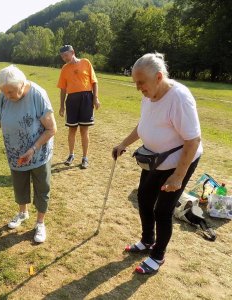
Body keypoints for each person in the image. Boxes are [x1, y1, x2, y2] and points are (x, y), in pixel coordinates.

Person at [112, 52, 202, 274]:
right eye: (136, 82)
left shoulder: (179, 98)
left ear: (159, 77)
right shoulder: (149, 95)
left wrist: (178, 176)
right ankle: (147, 240)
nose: (138, 88)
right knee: (144, 198)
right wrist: (124, 143)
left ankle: (158, 255)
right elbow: (143, 125)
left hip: (178, 163)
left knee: (163, 210)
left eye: (141, 82)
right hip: (154, 159)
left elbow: (193, 140)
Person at [0, 65, 57, 243]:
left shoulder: (38, 95)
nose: (8, 96)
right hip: (15, 153)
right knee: (19, 184)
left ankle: (40, 223)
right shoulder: (4, 96)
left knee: (41, 187)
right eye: (4, 92)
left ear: (22, 84)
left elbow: (52, 129)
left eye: (11, 92)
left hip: (38, 153)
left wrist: (33, 149)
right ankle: (22, 212)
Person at [57, 45, 100, 169]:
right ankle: (71, 155)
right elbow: (63, 89)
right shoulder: (64, 69)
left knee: (84, 130)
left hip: (86, 98)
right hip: (71, 100)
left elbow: (94, 82)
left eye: (66, 55)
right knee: (72, 129)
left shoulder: (85, 62)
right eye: (62, 56)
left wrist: (95, 98)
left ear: (72, 52)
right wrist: (61, 106)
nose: (64, 58)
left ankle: (85, 158)